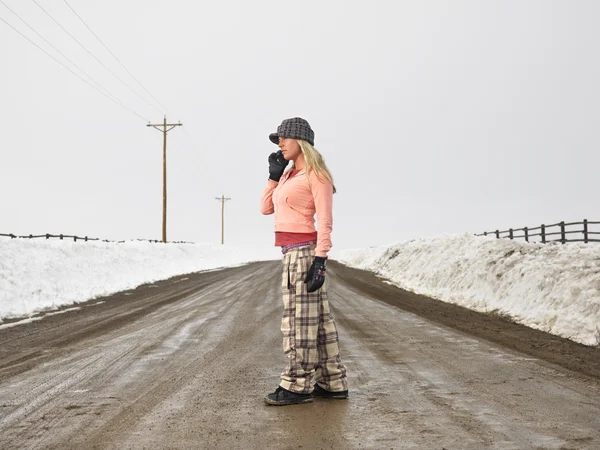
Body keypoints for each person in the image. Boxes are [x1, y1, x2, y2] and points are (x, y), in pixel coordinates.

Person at [260, 117, 348, 406]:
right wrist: (274, 176)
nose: (280, 144)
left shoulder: (316, 175)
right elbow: (265, 208)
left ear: (301, 141)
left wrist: (320, 260)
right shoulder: (289, 175)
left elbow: (325, 221)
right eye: (278, 140)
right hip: (291, 253)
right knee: (319, 321)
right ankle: (332, 382)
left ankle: (297, 385)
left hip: (305, 253)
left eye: (284, 138)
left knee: (298, 322)